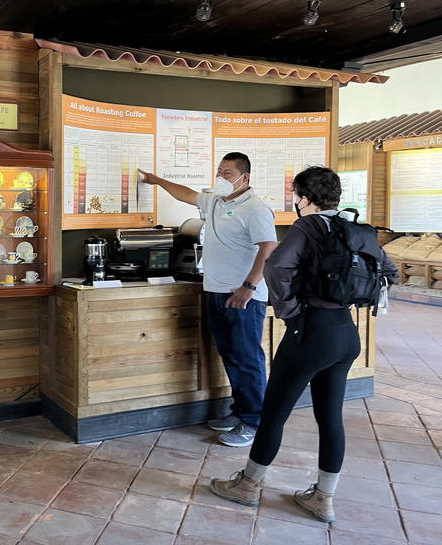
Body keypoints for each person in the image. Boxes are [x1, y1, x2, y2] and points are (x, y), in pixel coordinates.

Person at [209, 166, 397, 522]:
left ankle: (248, 485)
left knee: (274, 414)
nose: (296, 201)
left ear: (304, 197)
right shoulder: (358, 228)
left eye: (297, 195)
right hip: (346, 334)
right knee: (331, 419)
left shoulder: (308, 226)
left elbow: (276, 265)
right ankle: (323, 498)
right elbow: (389, 272)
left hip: (309, 332)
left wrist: (290, 309)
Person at [139, 152, 277, 446]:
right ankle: (240, 412)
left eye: (227, 173)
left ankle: (254, 421)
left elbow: (269, 249)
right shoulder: (214, 200)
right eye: (219, 171)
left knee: (248, 358)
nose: (221, 178)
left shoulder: (256, 208)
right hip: (216, 290)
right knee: (231, 355)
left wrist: (249, 287)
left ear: (245, 178)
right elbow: (186, 194)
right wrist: (155, 180)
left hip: (244, 296)